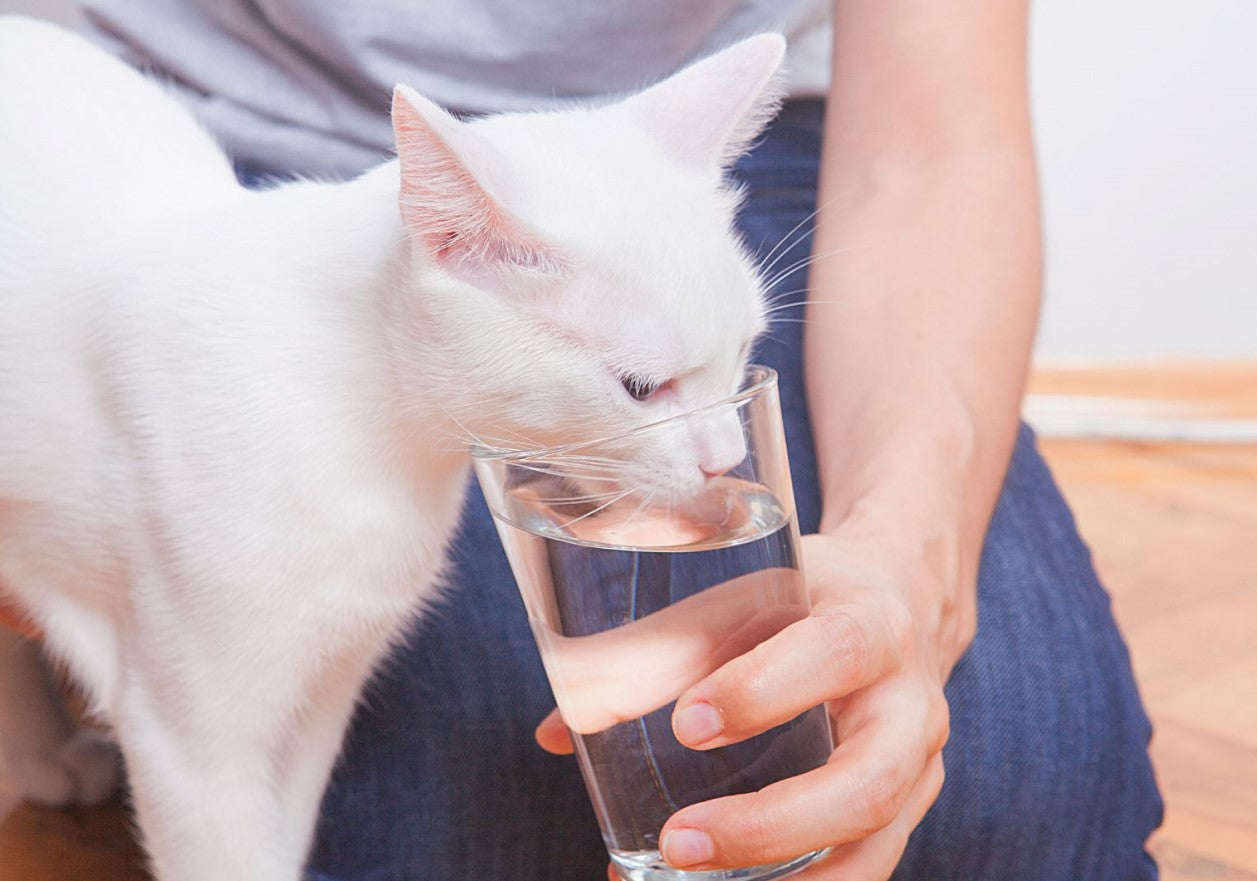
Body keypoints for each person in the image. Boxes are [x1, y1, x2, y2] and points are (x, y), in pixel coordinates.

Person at [80, 1, 1164, 878]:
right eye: (653, 390)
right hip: (249, 175)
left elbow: (937, 148)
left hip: (671, 160)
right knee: (477, 815)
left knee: (1019, 785)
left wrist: (908, 558)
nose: (720, 467)